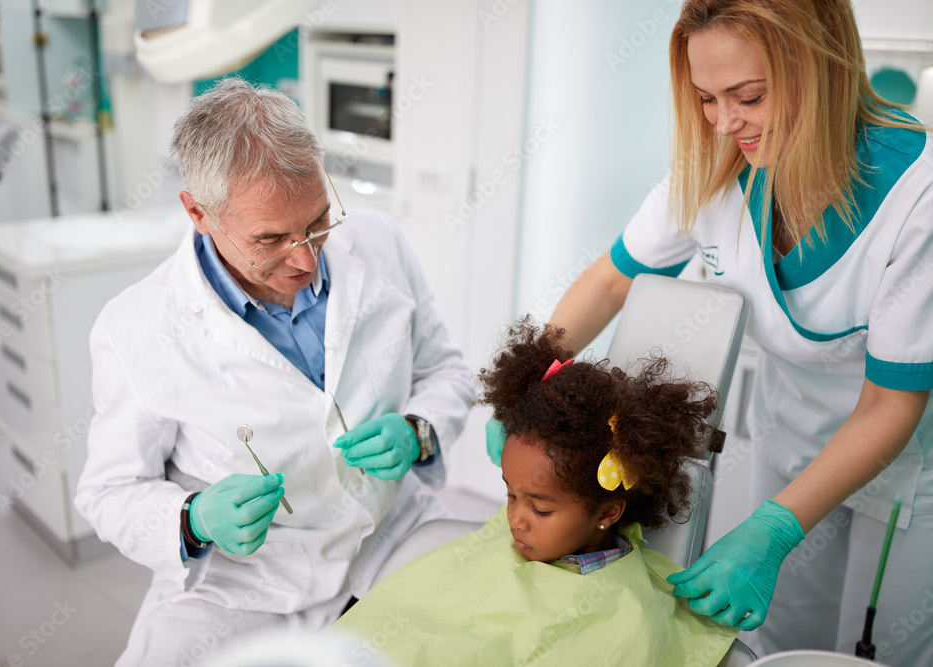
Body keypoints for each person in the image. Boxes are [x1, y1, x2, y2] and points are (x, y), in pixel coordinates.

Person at [485, 1, 933, 663]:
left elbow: (890, 403)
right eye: (705, 98)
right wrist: (532, 382)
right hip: (788, 441)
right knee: (773, 642)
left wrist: (773, 531)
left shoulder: (917, 196)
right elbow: (611, 281)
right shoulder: (719, 164)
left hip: (905, 472)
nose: (723, 123)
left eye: (748, 97)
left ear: (822, 70)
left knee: (868, 653)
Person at [74, 78, 473, 666]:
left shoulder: (379, 242)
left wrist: (418, 430)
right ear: (198, 213)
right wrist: (193, 519)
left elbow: (446, 370)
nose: (306, 258)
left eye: (317, 221)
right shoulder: (135, 328)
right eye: (271, 239)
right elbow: (108, 492)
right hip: (245, 585)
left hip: (390, 534)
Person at [334, 321, 739, 666]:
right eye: (510, 495)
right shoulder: (508, 534)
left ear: (607, 512)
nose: (514, 519)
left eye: (540, 509)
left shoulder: (630, 611)